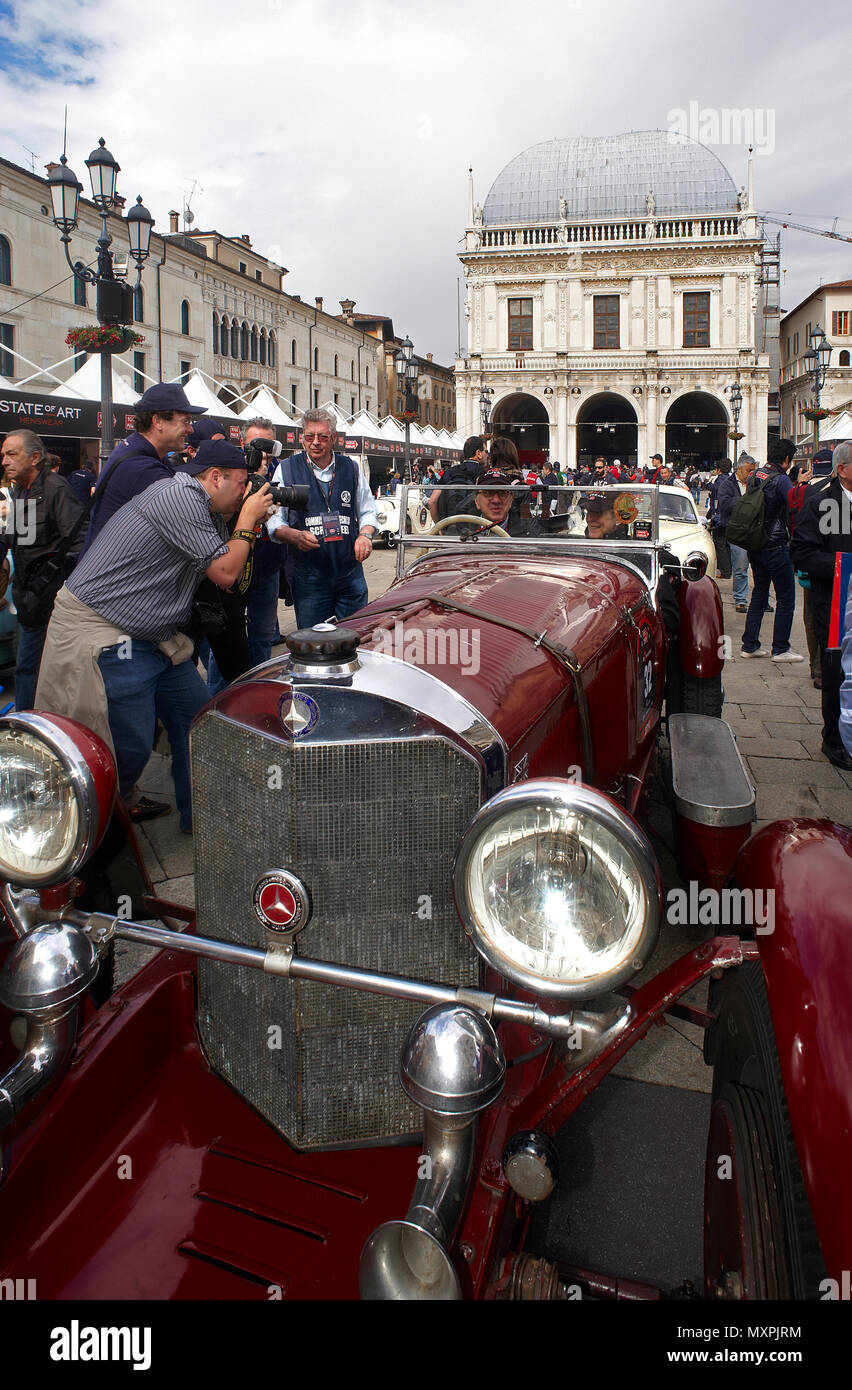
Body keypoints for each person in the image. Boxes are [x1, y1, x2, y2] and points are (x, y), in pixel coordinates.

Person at [35, 441, 276, 831]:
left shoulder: (207, 505)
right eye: (242, 484)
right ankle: (87, 840)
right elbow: (226, 573)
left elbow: (230, 579)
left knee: (198, 722)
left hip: (152, 636)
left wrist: (244, 521)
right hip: (108, 632)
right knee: (126, 746)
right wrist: (247, 521)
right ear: (215, 478)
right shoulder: (179, 497)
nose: (246, 493)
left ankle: (201, 821)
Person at [267, 407, 378, 629]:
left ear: (334, 438)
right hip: (309, 576)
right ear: (302, 438)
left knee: (356, 635)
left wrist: (365, 535)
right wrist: (295, 536)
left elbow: (367, 510)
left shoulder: (351, 468)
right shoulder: (287, 469)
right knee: (315, 643)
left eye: (323, 437)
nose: (316, 442)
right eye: (310, 436)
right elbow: (274, 519)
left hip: (349, 572)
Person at [0, 428, 84, 709]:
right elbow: (17, 537)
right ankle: (26, 722)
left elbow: (78, 543)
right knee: (28, 668)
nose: (4, 461)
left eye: (11, 454)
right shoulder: (21, 490)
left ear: (34, 457)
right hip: (27, 598)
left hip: (51, 601)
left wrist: (55, 583)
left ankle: (33, 724)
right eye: (3, 455)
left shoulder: (55, 488)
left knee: (41, 670)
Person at [82, 382, 206, 552]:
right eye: (186, 421)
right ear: (158, 421)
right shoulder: (141, 468)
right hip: (113, 576)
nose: (190, 429)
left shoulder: (141, 452)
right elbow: (191, 526)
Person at [790, 440, 852, 769]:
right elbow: (802, 551)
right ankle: (835, 739)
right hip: (836, 601)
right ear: (842, 469)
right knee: (837, 671)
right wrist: (843, 567)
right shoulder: (821, 503)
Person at [741, 438, 803, 662]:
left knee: (759, 592)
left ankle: (750, 645)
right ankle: (780, 648)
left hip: (755, 543)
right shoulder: (782, 480)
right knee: (786, 597)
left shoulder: (756, 475)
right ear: (787, 459)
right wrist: (800, 486)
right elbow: (794, 506)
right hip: (775, 544)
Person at [717, 453, 755, 611]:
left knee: (759, 567)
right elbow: (724, 505)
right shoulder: (727, 484)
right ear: (739, 469)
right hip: (737, 531)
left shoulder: (755, 483)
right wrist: (745, 500)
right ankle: (740, 599)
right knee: (740, 566)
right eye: (748, 470)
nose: (750, 473)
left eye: (753, 470)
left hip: (754, 530)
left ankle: (762, 599)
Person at [428, 435, 486, 523]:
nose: (487, 455)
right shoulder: (483, 474)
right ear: (478, 453)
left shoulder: (449, 472)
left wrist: (440, 527)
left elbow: (432, 501)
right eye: (486, 451)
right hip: (473, 527)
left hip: (449, 526)